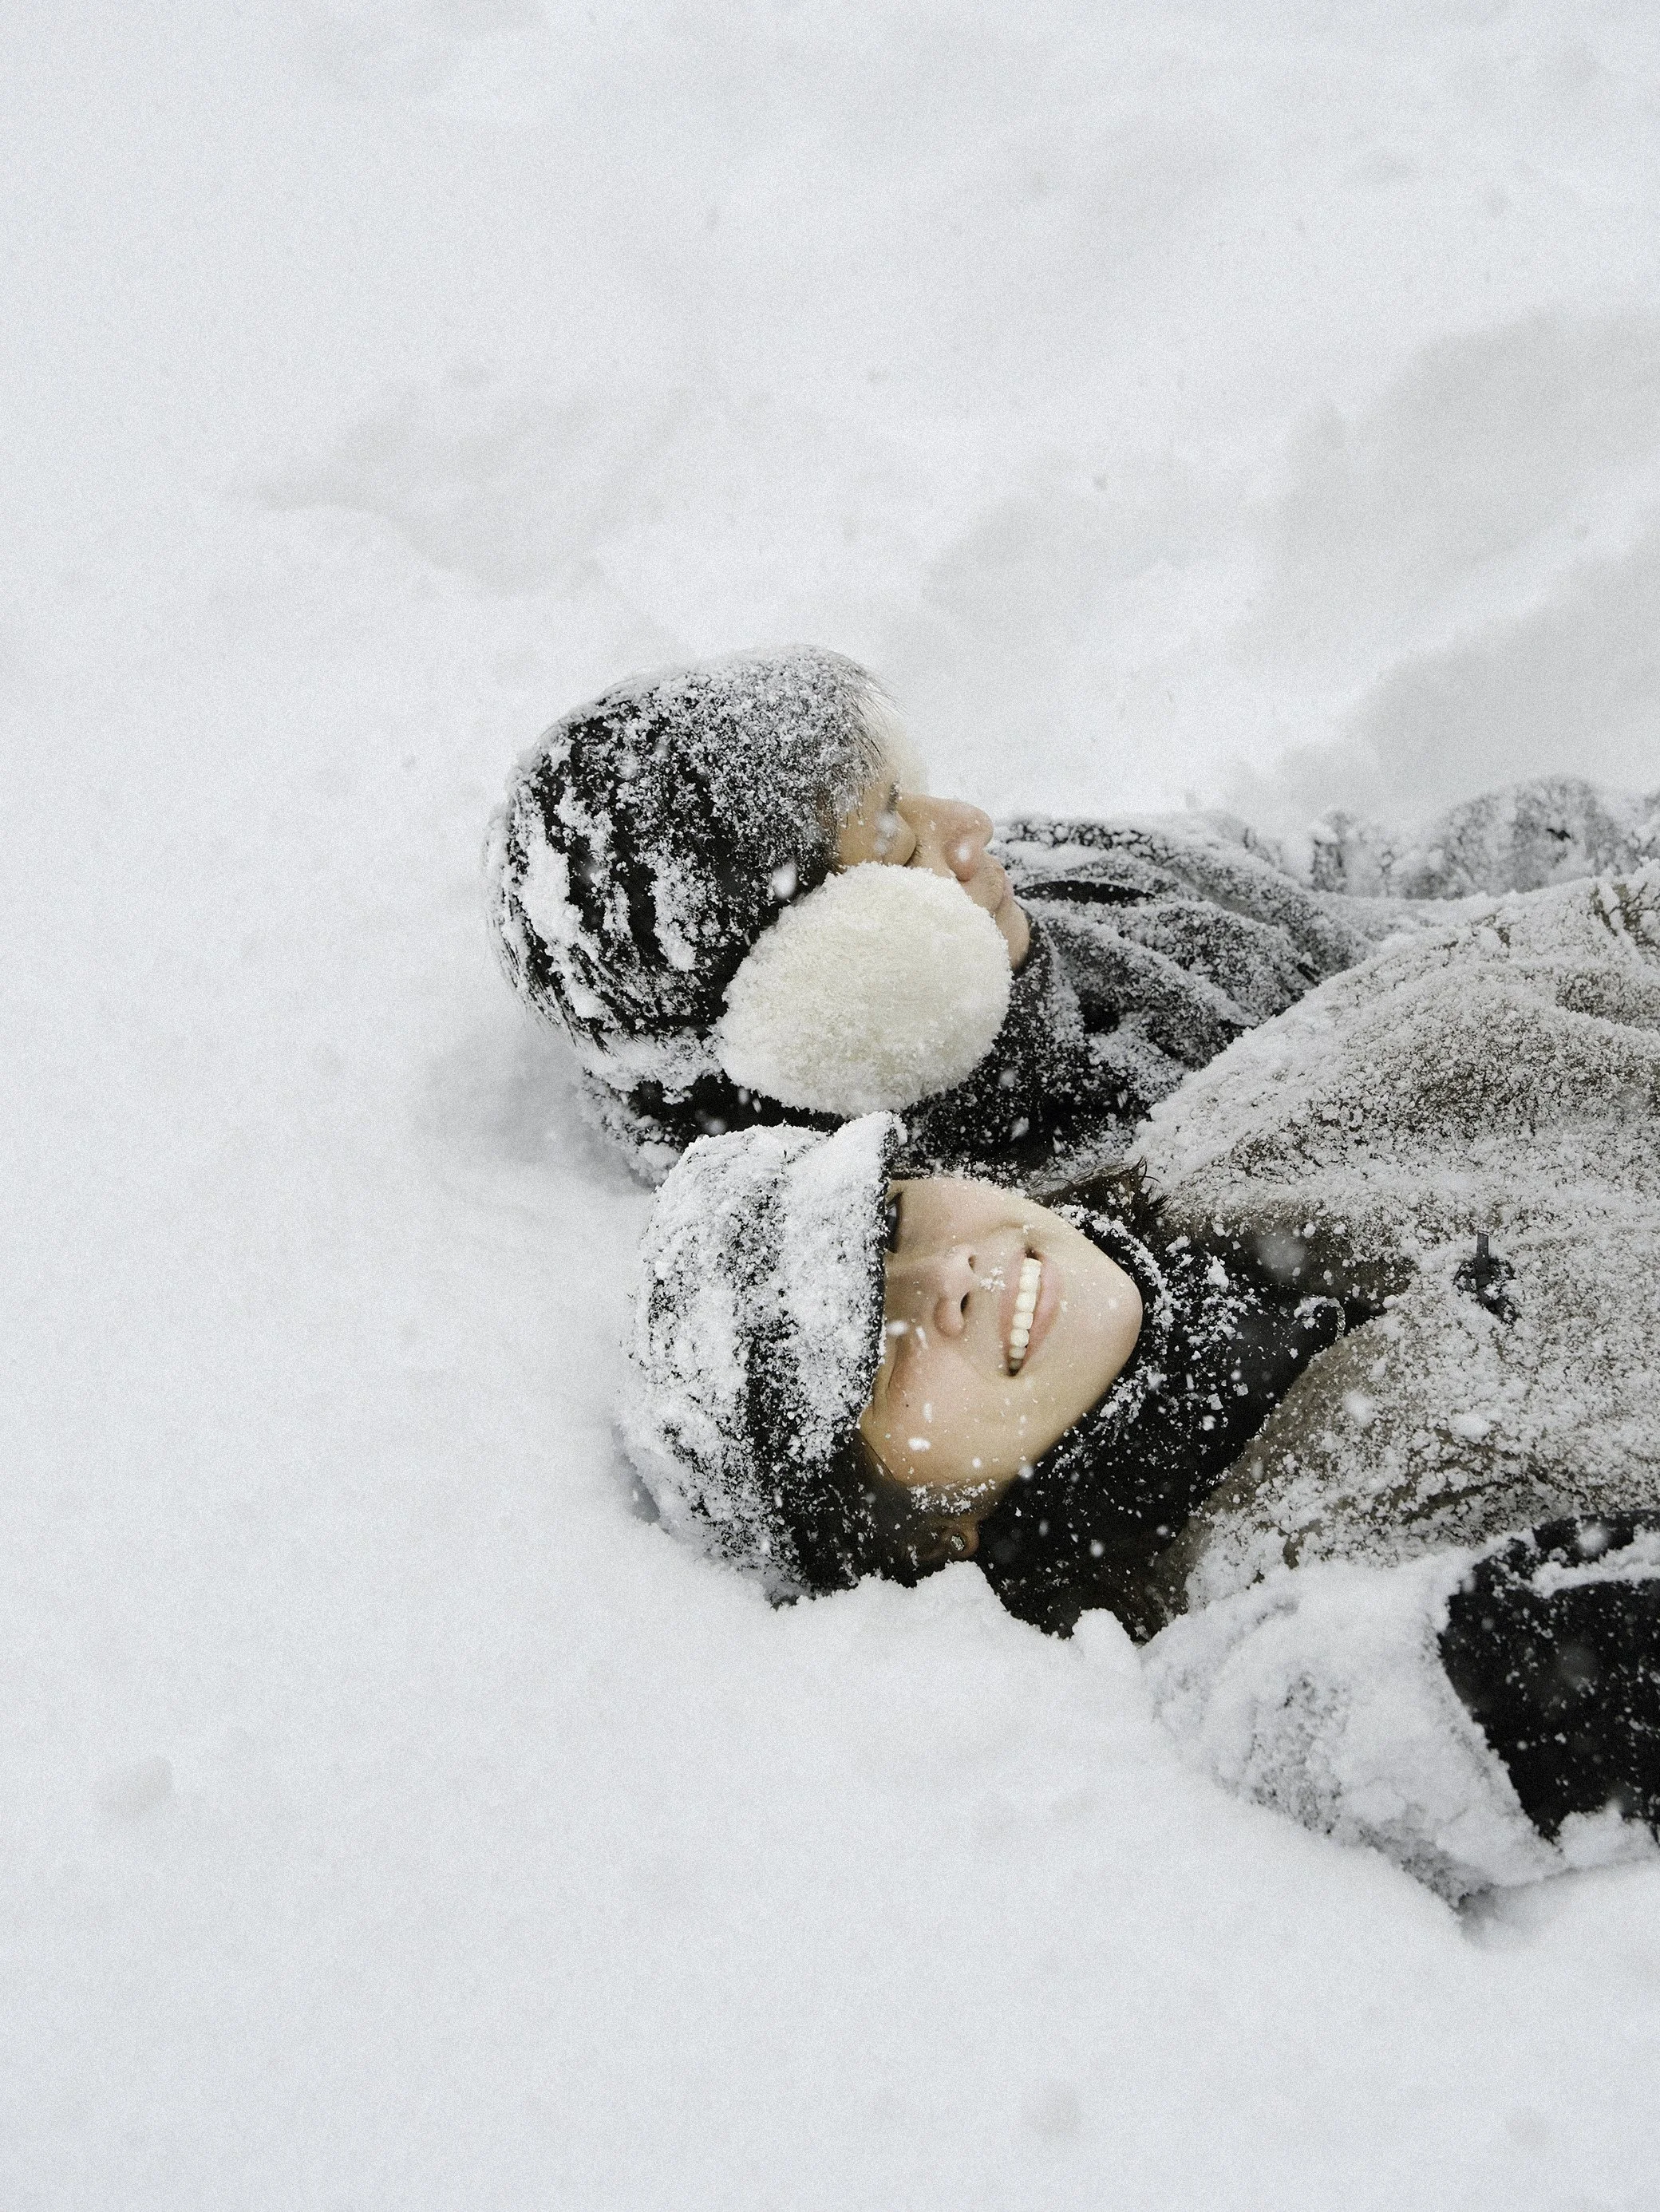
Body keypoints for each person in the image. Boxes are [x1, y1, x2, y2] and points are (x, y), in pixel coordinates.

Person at [619, 860, 1660, 1900]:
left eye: (897, 1223)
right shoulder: (1289, 1618)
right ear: (927, 1531)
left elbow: (1597, 933)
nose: (953, 1279)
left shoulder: (1239, 1120)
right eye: (880, 1347)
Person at [489, 645, 1659, 1189]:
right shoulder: (1059, 1203)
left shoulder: (1002, 907)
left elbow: (1318, 871)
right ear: (811, 991)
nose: (971, 823)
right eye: (899, 837)